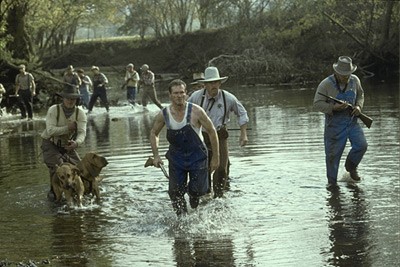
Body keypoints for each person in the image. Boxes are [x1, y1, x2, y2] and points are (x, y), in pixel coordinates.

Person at [150, 79, 220, 216]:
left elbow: (212, 131)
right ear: (170, 95)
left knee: (199, 190)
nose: (179, 96)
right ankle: (181, 220)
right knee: (175, 193)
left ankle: (193, 195)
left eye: (182, 92)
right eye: (175, 93)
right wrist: (156, 155)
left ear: (186, 94)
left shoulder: (196, 111)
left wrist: (216, 157)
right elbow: (154, 133)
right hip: (177, 157)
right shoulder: (164, 114)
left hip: (198, 156)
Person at [188, 66, 249, 198]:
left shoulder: (229, 98)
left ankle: (219, 196)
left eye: (216, 82)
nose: (213, 85)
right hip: (201, 135)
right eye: (210, 83)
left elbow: (242, 113)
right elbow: (185, 114)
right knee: (203, 167)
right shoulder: (196, 97)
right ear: (205, 85)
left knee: (221, 167)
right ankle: (205, 192)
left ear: (220, 83)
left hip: (220, 134)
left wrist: (243, 133)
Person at [313, 56, 368, 188]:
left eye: (348, 74)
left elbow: (360, 95)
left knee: (362, 145)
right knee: (333, 157)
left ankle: (351, 167)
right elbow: (317, 104)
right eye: (343, 75)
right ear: (336, 72)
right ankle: (332, 186)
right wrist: (333, 107)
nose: (346, 77)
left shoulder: (355, 80)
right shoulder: (325, 84)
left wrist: (359, 107)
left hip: (352, 122)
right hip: (334, 125)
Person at [40, 86, 87, 199]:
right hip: (50, 143)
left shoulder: (80, 113)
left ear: (76, 100)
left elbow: (82, 133)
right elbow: (50, 130)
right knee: (59, 167)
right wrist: (68, 128)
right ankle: (54, 192)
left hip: (67, 145)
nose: (70, 101)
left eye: (73, 99)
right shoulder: (53, 109)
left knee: (80, 169)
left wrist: (76, 143)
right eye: (68, 98)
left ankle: (79, 190)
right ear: (63, 98)